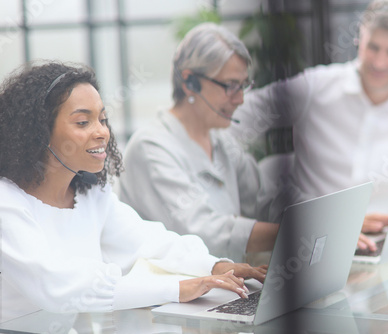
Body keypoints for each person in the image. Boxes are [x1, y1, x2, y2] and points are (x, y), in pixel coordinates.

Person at [0, 61, 267, 325]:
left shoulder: (91, 196)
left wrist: (213, 266)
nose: (102, 132)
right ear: (39, 133)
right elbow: (55, 286)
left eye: (103, 119)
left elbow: (149, 241)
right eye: (83, 122)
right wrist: (176, 288)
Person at [227, 0, 388, 251]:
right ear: (358, 41)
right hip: (315, 240)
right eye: (372, 47)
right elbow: (234, 117)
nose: (379, 63)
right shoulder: (316, 87)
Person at [117, 23, 279, 263]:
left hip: (225, 286)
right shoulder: (150, 147)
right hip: (176, 295)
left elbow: (264, 199)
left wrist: (318, 218)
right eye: (231, 86)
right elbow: (202, 232)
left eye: (244, 85)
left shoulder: (220, 139)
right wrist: (290, 233)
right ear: (190, 81)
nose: (240, 99)